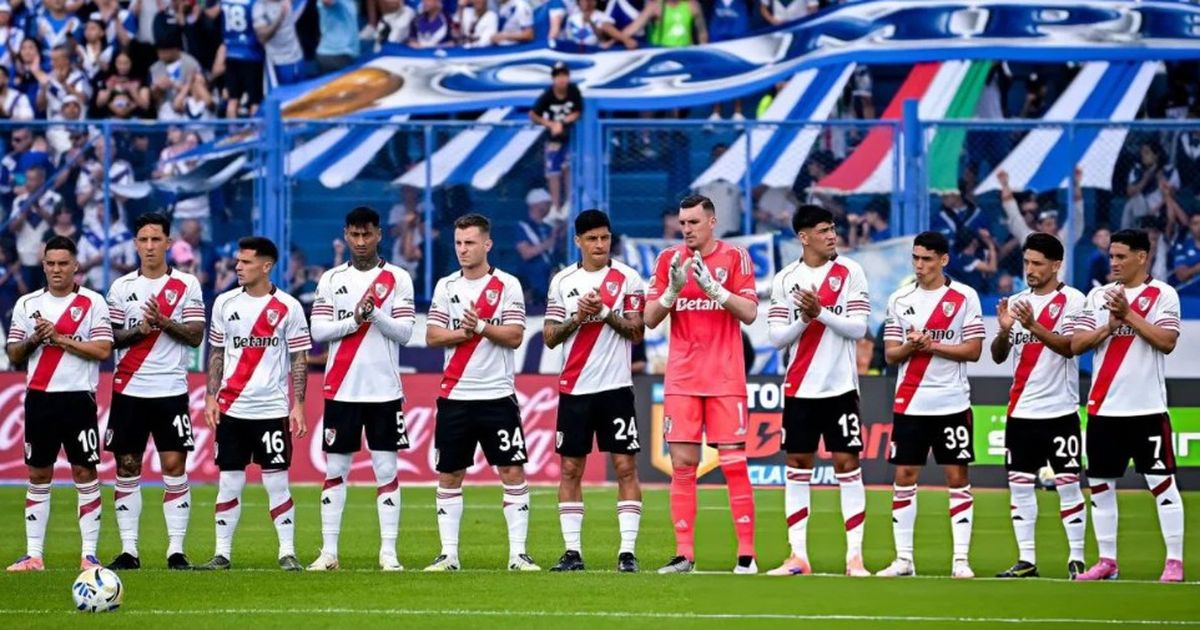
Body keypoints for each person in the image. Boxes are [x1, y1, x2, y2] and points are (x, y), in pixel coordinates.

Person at [644, 194, 759, 574]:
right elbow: (649, 318)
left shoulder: (735, 257)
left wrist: (716, 292)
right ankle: (684, 555)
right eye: (683, 222)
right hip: (682, 379)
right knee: (682, 465)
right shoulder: (668, 261)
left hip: (726, 377)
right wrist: (672, 292)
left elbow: (750, 313)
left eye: (694, 222)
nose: (687, 229)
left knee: (734, 465)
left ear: (712, 222)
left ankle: (746, 555)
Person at [424, 213, 537, 572]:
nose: (462, 249)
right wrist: (464, 333)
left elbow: (516, 336)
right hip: (455, 396)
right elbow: (432, 336)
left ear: (487, 244)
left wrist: (483, 326)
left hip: (496, 396)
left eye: (470, 242)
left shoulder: (507, 285)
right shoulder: (446, 286)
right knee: (449, 475)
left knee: (512, 471)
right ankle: (449, 555)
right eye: (458, 243)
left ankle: (518, 554)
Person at [1070, 229, 1184, 583]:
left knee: (1162, 483)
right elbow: (1076, 344)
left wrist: (1129, 315)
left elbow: (1167, 342)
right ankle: (1107, 561)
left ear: (1141, 256)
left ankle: (1174, 561)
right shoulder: (1097, 296)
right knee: (1101, 485)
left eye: (1121, 256)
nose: (1114, 262)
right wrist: (1108, 326)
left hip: (1147, 408)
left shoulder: (1163, 294)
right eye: (1112, 256)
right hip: (1103, 409)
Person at [306, 207, 416, 572]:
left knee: (386, 470)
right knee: (336, 469)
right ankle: (328, 552)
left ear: (379, 234)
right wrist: (353, 319)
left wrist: (375, 315)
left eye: (367, 234)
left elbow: (404, 333)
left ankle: (388, 553)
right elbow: (318, 333)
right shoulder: (331, 278)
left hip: (384, 390)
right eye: (354, 235)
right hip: (342, 389)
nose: (361, 242)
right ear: (346, 234)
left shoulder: (398, 278)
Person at [765, 205, 871, 577]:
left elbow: (858, 329)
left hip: (840, 386)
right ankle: (798, 556)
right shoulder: (785, 279)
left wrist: (820, 312)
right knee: (797, 465)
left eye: (833, 229)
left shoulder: (850, 272)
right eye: (824, 230)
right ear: (803, 237)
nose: (832, 235)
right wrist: (804, 317)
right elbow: (777, 337)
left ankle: (854, 557)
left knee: (847, 465)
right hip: (800, 389)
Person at [196, 236, 311, 572]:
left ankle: (287, 552)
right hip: (232, 409)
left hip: (271, 410)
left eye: (245, 262)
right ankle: (222, 554)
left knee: (277, 482)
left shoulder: (287, 307)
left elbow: (299, 358)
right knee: (229, 481)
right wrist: (210, 395)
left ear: (266, 265)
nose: (238, 267)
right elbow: (216, 351)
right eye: (238, 261)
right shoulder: (224, 303)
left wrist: (299, 404)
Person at [543, 209, 646, 573]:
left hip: (616, 388)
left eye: (605, 237)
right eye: (592, 239)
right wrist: (578, 318)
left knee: (625, 466)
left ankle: (627, 552)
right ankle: (572, 552)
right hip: (575, 389)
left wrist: (603, 311)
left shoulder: (628, 279)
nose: (600, 244)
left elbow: (637, 333)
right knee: (570, 468)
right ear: (578, 241)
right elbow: (550, 337)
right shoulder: (562, 282)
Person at [102, 213, 206, 572]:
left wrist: (163, 322)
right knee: (127, 466)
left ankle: (175, 551)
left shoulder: (187, 285)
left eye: (156, 240)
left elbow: (195, 336)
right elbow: (109, 339)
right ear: (135, 243)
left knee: (174, 465)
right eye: (143, 240)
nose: (149, 247)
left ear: (167, 242)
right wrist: (140, 330)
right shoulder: (120, 288)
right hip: (129, 388)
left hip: (170, 388)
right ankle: (129, 551)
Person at [878, 230, 985, 579]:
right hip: (910, 402)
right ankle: (904, 560)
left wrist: (931, 346)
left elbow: (973, 351)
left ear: (943, 260)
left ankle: (961, 561)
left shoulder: (965, 296)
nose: (920, 265)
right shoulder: (899, 299)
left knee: (957, 476)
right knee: (905, 476)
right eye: (916, 258)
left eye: (926, 259)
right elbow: (891, 355)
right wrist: (912, 346)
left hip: (952, 402)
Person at [5, 236, 113, 572]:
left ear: (75, 265)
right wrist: (37, 337)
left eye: (63, 263)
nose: (56, 269)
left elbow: (103, 350)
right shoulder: (27, 304)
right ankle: (33, 555)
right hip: (39, 398)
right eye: (50, 263)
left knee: (85, 471)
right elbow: (14, 355)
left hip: (78, 398)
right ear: (43, 265)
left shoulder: (93, 302)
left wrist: (60, 338)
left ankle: (89, 555)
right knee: (38, 473)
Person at [989, 233, 1088, 579]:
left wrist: (1033, 325)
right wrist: (1003, 332)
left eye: (1037, 263)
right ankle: (1026, 559)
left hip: (1060, 411)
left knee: (1068, 483)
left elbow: (1070, 347)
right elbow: (999, 357)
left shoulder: (1074, 301)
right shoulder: (1016, 301)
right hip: (1020, 412)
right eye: (1026, 262)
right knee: (1019, 485)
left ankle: (1076, 558)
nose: (1029, 269)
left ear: (1056, 265)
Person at [530, 62, 582, 217]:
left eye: (564, 75)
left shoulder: (573, 91)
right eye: (558, 76)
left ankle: (569, 201)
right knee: (553, 171)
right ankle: (555, 206)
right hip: (553, 139)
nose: (561, 79)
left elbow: (577, 111)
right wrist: (550, 124)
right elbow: (533, 114)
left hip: (571, 136)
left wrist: (563, 122)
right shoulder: (548, 95)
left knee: (568, 167)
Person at [515, 187, 564, 309]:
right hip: (532, 279)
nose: (549, 207)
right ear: (536, 205)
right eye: (546, 203)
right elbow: (526, 253)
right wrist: (549, 242)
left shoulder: (548, 226)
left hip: (548, 279)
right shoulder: (522, 226)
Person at [217, 0, 265, 118]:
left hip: (231, 52)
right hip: (251, 54)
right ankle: (256, 131)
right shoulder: (253, 3)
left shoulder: (225, 2)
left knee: (233, 99)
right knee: (255, 100)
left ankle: (232, 132)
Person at [253, 0, 306, 86]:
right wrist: (280, 17)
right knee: (284, 97)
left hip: (297, 58)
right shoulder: (260, 7)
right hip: (278, 63)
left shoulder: (287, 1)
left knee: (302, 96)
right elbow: (262, 37)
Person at [1169, 212, 1200, 295]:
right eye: (1195, 223)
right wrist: (1197, 268)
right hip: (1189, 297)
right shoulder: (1182, 247)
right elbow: (1181, 275)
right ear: (1190, 226)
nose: (1199, 227)